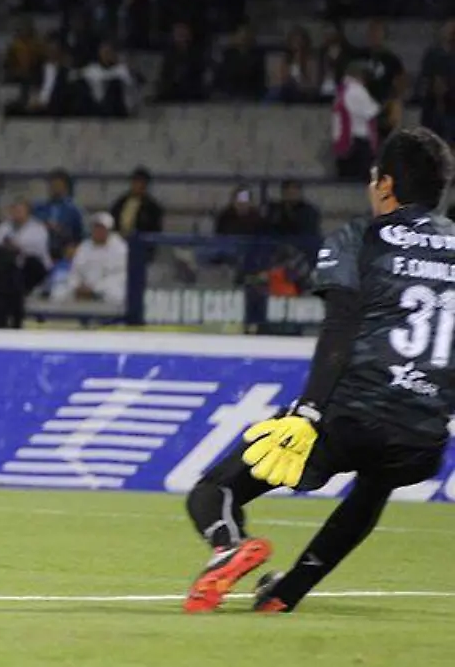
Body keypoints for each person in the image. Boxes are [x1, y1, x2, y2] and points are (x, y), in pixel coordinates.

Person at [182, 127, 455, 614]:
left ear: (386, 185)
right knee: (374, 487)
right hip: (422, 434)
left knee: (213, 489)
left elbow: (340, 329)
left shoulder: (361, 238)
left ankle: (227, 547)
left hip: (350, 414)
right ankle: (285, 593)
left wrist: (307, 411)